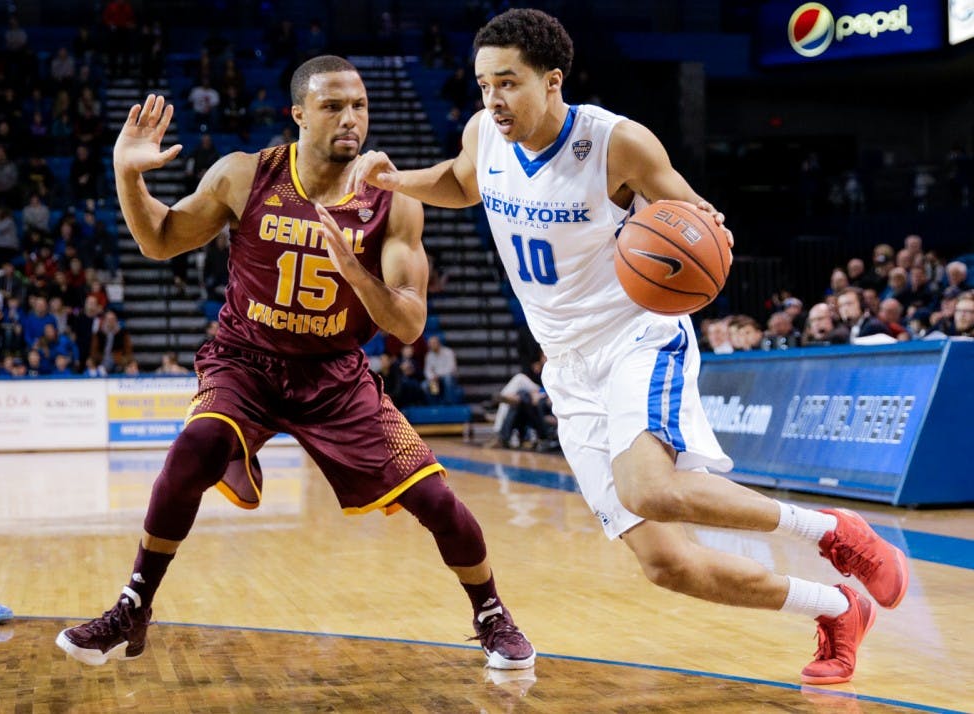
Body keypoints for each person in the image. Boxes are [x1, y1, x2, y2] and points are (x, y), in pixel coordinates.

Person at [348, 9, 908, 685]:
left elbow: (698, 223)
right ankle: (837, 608)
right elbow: (464, 181)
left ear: (552, 81)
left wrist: (696, 232)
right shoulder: (484, 135)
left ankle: (834, 533)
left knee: (649, 487)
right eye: (483, 84)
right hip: (567, 365)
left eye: (509, 83)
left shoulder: (616, 143)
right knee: (667, 565)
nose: (493, 99)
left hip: (636, 336)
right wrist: (395, 181)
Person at [55, 55, 534, 671]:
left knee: (437, 499)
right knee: (195, 446)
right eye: (333, 106)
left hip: (335, 374)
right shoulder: (244, 175)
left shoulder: (393, 201)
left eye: (359, 105)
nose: (351, 119)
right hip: (244, 361)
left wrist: (352, 268)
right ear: (299, 114)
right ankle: (133, 606)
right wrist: (127, 175)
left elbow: (409, 323)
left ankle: (491, 613)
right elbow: (159, 240)